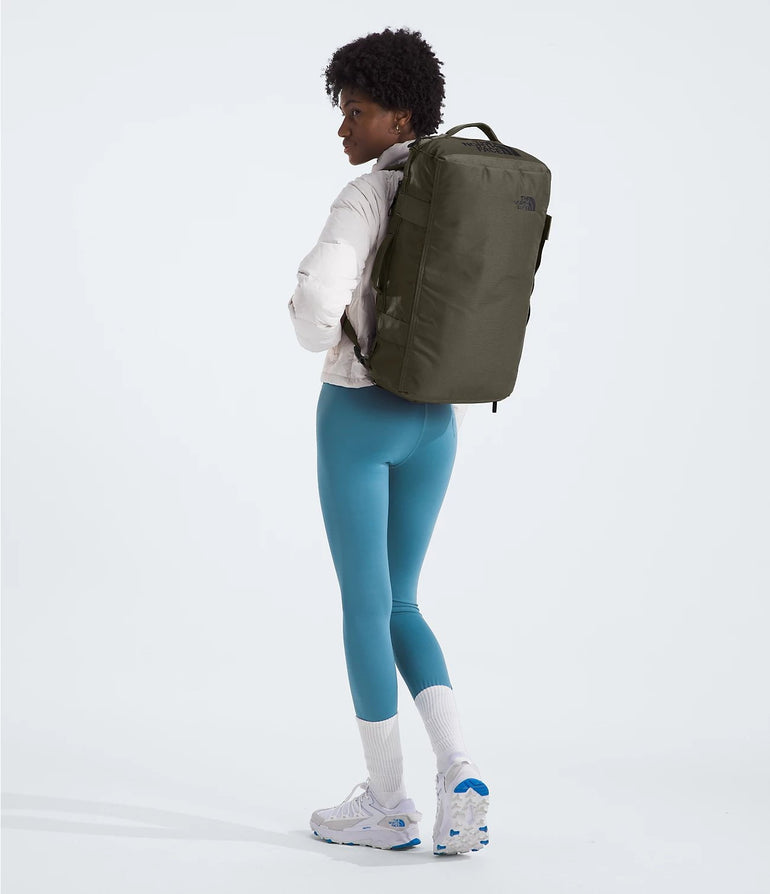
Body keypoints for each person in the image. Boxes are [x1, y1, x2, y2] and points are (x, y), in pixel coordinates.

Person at [288, 27, 489, 856]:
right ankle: (461, 772)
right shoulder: (464, 190)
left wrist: (313, 325)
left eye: (357, 111)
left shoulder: (367, 197)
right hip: (437, 421)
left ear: (401, 116)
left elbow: (316, 310)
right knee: (404, 601)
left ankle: (390, 804)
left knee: (367, 608)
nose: (344, 128)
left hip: (360, 419)